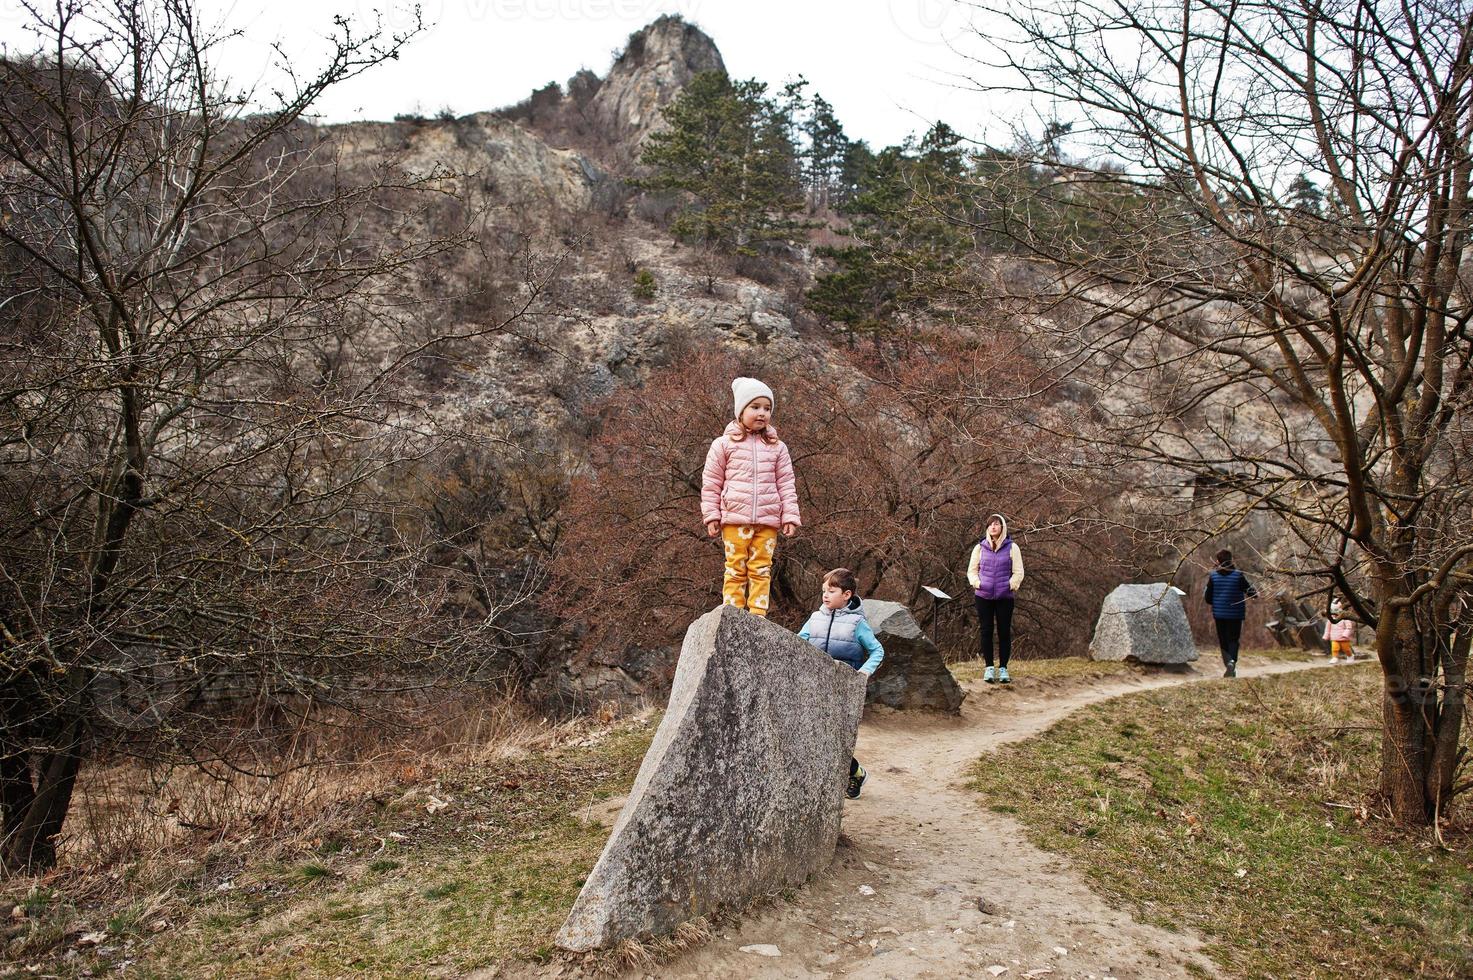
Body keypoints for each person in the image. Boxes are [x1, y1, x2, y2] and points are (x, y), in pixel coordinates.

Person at [701, 377, 800, 617]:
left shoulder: (778, 448)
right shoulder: (723, 445)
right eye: (755, 407)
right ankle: (732, 614)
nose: (762, 413)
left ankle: (758, 615)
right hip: (735, 518)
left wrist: (790, 516)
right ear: (740, 411)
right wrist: (711, 515)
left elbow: (786, 484)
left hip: (767, 520)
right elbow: (711, 482)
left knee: (761, 569)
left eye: (767, 408)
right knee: (735, 568)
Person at [798, 567, 884, 799]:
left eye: (832, 591)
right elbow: (797, 644)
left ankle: (854, 774)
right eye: (824, 591)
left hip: (843, 689)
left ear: (847, 595)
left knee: (836, 737)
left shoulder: (857, 623)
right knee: (813, 734)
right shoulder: (815, 618)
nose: (825, 595)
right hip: (814, 686)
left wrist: (864, 672)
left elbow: (877, 651)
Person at [966, 513, 1024, 684]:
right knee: (986, 631)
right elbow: (972, 570)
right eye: (990, 524)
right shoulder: (979, 548)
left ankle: (1003, 668)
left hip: (1004, 597)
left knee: (1004, 632)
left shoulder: (1013, 548)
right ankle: (989, 668)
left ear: (1002, 527)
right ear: (987, 528)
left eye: (997, 524)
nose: (993, 527)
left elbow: (1019, 572)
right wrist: (977, 583)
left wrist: (1010, 585)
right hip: (983, 596)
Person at [1204, 548, 1257, 677]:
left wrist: (1217, 600)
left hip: (1219, 615)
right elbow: (1252, 593)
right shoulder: (1238, 575)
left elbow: (1208, 599)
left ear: (1218, 561)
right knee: (1233, 639)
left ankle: (1228, 663)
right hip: (1235, 615)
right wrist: (1255, 593)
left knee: (1223, 641)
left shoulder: (1213, 576)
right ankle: (1232, 662)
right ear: (1231, 559)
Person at [1323, 598, 1356, 663]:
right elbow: (1328, 628)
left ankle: (1350, 656)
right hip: (1334, 637)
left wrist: (1345, 634)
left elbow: (1348, 627)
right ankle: (1334, 657)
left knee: (1346, 649)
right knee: (1334, 648)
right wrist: (1326, 636)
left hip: (1343, 638)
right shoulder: (1330, 619)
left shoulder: (1344, 618)